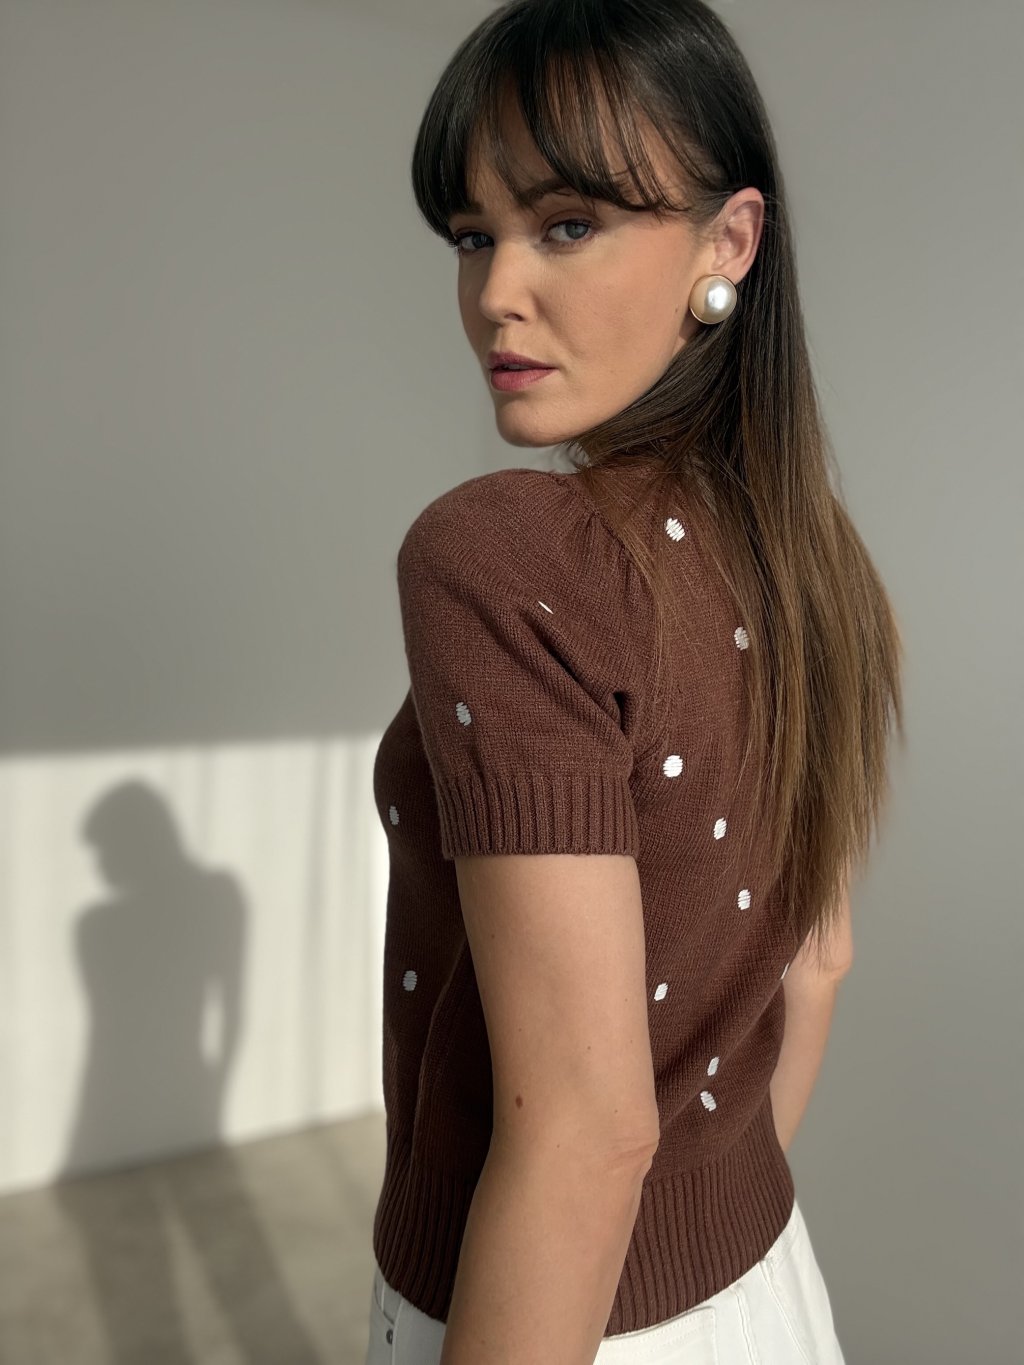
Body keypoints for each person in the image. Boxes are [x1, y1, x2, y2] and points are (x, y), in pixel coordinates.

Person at [366, 1, 904, 1361]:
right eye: (472, 235)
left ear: (728, 243)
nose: (497, 291)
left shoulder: (505, 557)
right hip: (764, 1289)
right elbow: (820, 965)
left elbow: (586, 1134)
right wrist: (700, 1258)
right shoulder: (810, 559)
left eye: (567, 225)